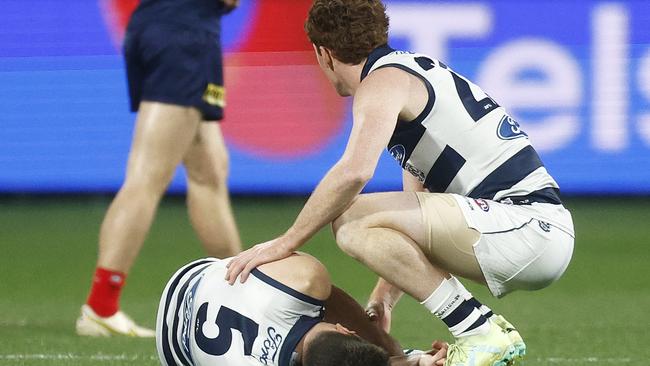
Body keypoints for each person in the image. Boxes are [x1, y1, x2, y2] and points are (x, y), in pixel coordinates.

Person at [225, 0, 575, 365]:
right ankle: (478, 330)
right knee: (358, 218)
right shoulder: (408, 75)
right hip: (528, 228)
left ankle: (479, 331)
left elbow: (355, 172)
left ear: (323, 53)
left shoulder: (382, 83)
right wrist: (384, 297)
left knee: (349, 217)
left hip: (524, 226)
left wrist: (284, 243)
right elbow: (416, 210)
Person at [76, 0, 242, 337]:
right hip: (185, 35)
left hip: (159, 25)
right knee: (146, 178)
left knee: (209, 172)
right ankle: (100, 306)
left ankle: (240, 293)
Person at [157, 253, 448, 366]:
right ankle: (395, 352)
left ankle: (394, 354)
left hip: (193, 282)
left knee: (312, 287)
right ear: (344, 328)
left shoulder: (307, 277)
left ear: (343, 330)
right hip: (176, 348)